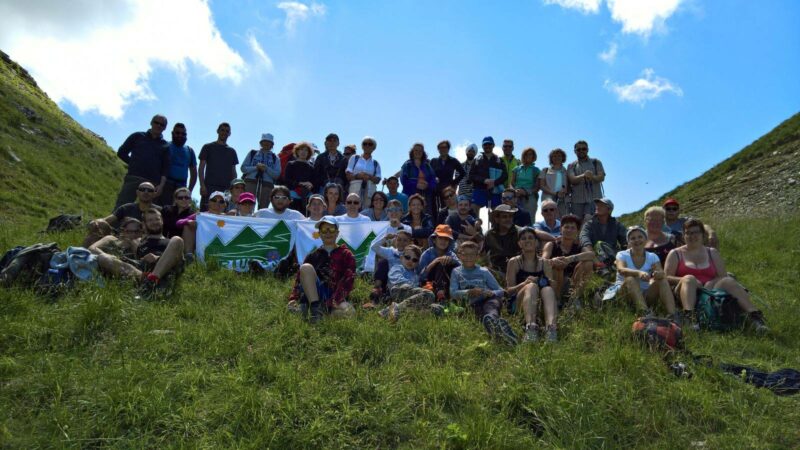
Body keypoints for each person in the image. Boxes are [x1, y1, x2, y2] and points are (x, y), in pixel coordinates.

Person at [664, 218, 767, 332]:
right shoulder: (675, 253)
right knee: (689, 279)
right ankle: (690, 318)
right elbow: (667, 277)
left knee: (728, 281)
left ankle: (755, 317)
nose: (692, 236)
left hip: (709, 290)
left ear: (703, 235)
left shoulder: (712, 252)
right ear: (684, 236)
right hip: (685, 291)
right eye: (688, 233)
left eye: (696, 232)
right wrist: (686, 280)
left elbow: (722, 276)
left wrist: (709, 284)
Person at [90, 208, 184, 297]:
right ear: (144, 224)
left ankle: (152, 280)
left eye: (157, 219)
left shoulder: (170, 242)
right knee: (103, 258)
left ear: (162, 221)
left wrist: (158, 258)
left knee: (177, 239)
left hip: (165, 270)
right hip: (141, 272)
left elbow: (179, 259)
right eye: (150, 220)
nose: (154, 222)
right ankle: (147, 283)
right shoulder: (139, 241)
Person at [288, 216, 356, 323]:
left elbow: (348, 280)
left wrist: (334, 300)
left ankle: (321, 313)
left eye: (331, 229)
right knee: (305, 268)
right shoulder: (312, 255)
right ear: (319, 234)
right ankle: (315, 310)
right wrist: (293, 298)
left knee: (349, 312)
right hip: (314, 294)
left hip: (335, 295)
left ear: (337, 233)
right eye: (324, 230)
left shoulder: (347, 255)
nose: (328, 233)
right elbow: (299, 279)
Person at [450, 241, 518, 346]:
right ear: (459, 255)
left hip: (487, 300)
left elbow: (500, 291)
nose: (468, 257)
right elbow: (452, 293)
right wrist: (468, 292)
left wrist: (490, 292)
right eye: (465, 254)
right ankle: (500, 332)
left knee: (492, 304)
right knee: (477, 313)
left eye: (472, 254)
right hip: (471, 305)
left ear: (477, 256)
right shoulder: (456, 272)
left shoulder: (484, 271)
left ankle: (492, 321)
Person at [610, 226, 677, 318]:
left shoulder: (652, 256)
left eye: (640, 237)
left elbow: (661, 272)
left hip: (646, 294)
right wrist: (639, 273)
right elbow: (621, 269)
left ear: (645, 239)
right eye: (633, 238)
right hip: (625, 295)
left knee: (662, 281)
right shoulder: (622, 254)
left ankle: (673, 315)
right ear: (628, 242)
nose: (637, 240)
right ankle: (645, 314)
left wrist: (657, 274)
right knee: (630, 279)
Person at [506, 228, 558, 342]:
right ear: (519, 244)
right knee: (531, 286)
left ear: (536, 242)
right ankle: (531, 329)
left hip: (541, 303)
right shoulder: (514, 262)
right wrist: (524, 284)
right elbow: (509, 291)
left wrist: (550, 282)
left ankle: (551, 329)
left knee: (548, 289)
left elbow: (553, 289)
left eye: (530, 238)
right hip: (519, 304)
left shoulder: (545, 263)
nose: (527, 240)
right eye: (523, 239)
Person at [114, 114, 169, 210]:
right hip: (133, 178)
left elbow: (166, 168)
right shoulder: (137, 136)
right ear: (151, 123)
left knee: (148, 212)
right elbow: (121, 152)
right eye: (156, 122)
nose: (159, 126)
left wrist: (161, 186)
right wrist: (134, 164)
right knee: (122, 207)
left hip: (152, 183)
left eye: (162, 124)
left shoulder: (166, 146)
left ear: (165, 128)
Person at [85, 181, 162, 247]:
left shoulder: (160, 211)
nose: (146, 192)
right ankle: (82, 253)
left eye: (150, 190)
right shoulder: (127, 207)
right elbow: (107, 220)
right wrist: (96, 222)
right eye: (142, 189)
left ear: (154, 194)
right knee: (99, 225)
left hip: (143, 242)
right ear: (137, 192)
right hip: (121, 238)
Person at [380, 245, 442, 322]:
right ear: (401, 258)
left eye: (414, 260)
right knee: (429, 294)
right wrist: (417, 288)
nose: (410, 261)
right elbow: (398, 280)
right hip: (399, 291)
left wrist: (422, 288)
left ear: (417, 263)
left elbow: (423, 277)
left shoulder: (415, 275)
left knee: (438, 308)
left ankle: (401, 312)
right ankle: (393, 310)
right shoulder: (397, 267)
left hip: (410, 297)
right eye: (407, 257)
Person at [542, 215, 594, 302]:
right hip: (554, 281)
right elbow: (543, 260)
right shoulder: (551, 245)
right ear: (561, 229)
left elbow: (591, 255)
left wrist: (569, 259)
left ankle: (574, 299)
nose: (569, 230)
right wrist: (553, 261)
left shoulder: (579, 247)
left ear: (577, 231)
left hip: (573, 282)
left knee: (588, 263)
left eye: (573, 228)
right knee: (557, 266)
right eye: (566, 227)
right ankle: (557, 300)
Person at [199, 122, 239, 212]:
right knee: (205, 213)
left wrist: (233, 190)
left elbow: (234, 172)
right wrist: (202, 185)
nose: (224, 132)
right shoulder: (207, 147)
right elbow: (201, 168)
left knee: (223, 215)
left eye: (227, 131)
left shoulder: (232, 151)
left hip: (226, 189)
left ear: (229, 134)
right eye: (222, 130)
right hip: (209, 187)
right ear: (218, 131)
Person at [368, 229, 412, 308]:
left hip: (406, 282)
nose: (401, 242)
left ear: (410, 242)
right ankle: (377, 289)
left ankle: (390, 301)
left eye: (405, 240)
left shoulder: (412, 254)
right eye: (399, 240)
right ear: (395, 241)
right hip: (391, 283)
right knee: (383, 262)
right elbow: (374, 247)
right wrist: (385, 238)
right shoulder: (391, 251)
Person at [178, 190, 228, 256]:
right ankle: (188, 256)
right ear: (209, 202)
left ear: (224, 205)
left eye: (221, 201)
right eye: (214, 200)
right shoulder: (201, 215)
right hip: (202, 244)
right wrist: (188, 221)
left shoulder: (228, 218)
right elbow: (178, 222)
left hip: (220, 245)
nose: (217, 203)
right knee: (187, 226)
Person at [159, 123, 197, 206]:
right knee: (163, 210)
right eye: (177, 133)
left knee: (178, 211)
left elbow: (194, 173)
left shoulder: (189, 150)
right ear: (172, 133)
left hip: (182, 186)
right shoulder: (165, 146)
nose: (180, 135)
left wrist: (189, 191)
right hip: (166, 185)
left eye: (183, 134)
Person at [241, 133, 281, 209]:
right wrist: (256, 167)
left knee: (263, 209)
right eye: (264, 141)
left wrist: (266, 169)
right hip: (250, 182)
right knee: (247, 205)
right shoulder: (252, 153)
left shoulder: (275, 158)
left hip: (267, 185)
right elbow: (243, 168)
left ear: (272, 145)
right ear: (261, 143)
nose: (266, 143)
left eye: (269, 142)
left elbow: (277, 175)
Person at [567, 140, 605, 220]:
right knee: (577, 223)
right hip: (577, 201)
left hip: (595, 199)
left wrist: (592, 177)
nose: (581, 151)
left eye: (583, 149)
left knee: (595, 223)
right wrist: (584, 175)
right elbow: (572, 180)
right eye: (578, 149)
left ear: (587, 150)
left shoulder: (596, 162)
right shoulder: (571, 166)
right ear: (575, 151)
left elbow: (601, 177)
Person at [469, 136, 507, 213]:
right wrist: (484, 180)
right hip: (479, 189)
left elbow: (505, 175)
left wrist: (494, 183)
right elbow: (471, 176)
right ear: (482, 146)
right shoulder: (477, 160)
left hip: (495, 190)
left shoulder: (499, 160)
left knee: (496, 213)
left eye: (489, 144)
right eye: (485, 144)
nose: (487, 146)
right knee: (473, 209)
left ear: (493, 145)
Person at [400, 142, 438, 216]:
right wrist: (416, 184)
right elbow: (403, 180)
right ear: (412, 152)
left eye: (420, 151)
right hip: (411, 194)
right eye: (416, 150)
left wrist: (428, 185)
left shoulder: (427, 166)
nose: (418, 152)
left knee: (426, 215)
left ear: (423, 152)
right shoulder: (407, 165)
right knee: (411, 215)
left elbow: (433, 179)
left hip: (426, 195)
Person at [430, 140, 466, 213]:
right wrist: (434, 178)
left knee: (447, 210)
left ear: (448, 149)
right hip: (435, 190)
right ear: (438, 149)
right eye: (440, 147)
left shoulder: (453, 161)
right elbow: (428, 174)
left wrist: (453, 182)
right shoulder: (434, 161)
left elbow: (463, 173)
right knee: (434, 210)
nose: (443, 149)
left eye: (445, 147)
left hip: (447, 191)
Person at [346, 136, 382, 201]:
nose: (367, 146)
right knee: (353, 206)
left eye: (370, 144)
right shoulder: (354, 158)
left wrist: (369, 176)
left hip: (370, 192)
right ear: (362, 146)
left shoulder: (376, 163)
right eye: (365, 144)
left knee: (368, 207)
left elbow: (378, 180)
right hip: (355, 190)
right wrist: (357, 176)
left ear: (374, 147)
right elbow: (348, 175)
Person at [284, 142, 316, 213]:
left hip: (307, 196)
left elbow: (315, 182)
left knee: (305, 216)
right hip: (293, 195)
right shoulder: (291, 164)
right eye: (301, 149)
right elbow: (287, 180)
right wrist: (300, 183)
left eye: (306, 150)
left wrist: (311, 184)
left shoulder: (311, 167)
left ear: (309, 153)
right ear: (297, 151)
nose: (303, 152)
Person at [510, 147, 540, 220]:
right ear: (523, 156)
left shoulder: (536, 170)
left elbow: (537, 187)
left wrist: (526, 192)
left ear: (533, 156)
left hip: (530, 197)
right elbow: (511, 184)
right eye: (526, 154)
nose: (528, 156)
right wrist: (514, 191)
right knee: (515, 218)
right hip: (516, 196)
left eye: (531, 154)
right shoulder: (516, 169)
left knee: (529, 219)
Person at [537, 148, 569, 218]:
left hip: (562, 200)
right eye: (554, 156)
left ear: (563, 157)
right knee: (549, 218)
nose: (556, 157)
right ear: (551, 158)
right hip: (548, 199)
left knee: (563, 219)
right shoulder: (545, 170)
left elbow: (568, 186)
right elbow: (542, 186)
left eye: (559, 156)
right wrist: (555, 193)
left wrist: (563, 192)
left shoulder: (566, 171)